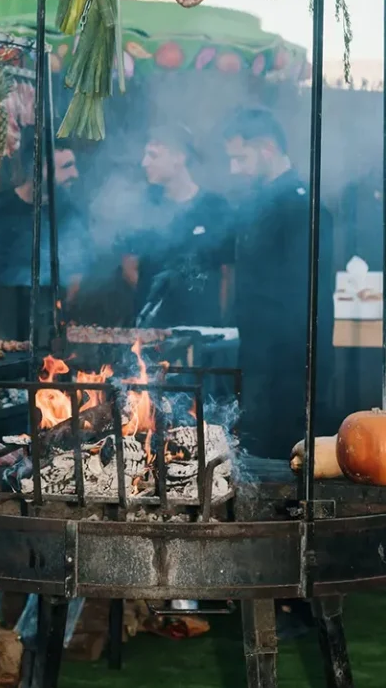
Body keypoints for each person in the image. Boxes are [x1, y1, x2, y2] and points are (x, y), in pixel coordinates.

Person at [223, 108, 334, 460]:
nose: (233, 169)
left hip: (287, 364)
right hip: (261, 357)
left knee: (282, 455)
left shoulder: (302, 206)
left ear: (267, 148)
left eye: (240, 158)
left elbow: (302, 295)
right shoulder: (260, 203)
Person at [121, 125, 233, 328]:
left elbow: (227, 272)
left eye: (153, 156)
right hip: (151, 332)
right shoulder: (143, 205)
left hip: (201, 330)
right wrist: (158, 299)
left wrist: (218, 321)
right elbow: (129, 265)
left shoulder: (214, 206)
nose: (144, 163)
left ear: (178, 157)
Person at [0, 128, 86, 306]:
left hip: (47, 318)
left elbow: (75, 276)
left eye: (74, 165)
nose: (75, 174)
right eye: (66, 167)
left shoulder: (71, 215)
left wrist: (54, 312)